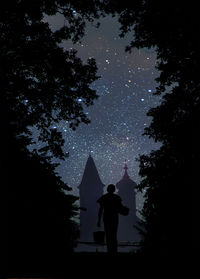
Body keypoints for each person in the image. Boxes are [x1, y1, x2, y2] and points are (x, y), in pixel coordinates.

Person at [97, 184, 122, 253]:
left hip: (107, 219)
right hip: (114, 219)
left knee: (108, 235)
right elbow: (121, 208)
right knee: (114, 235)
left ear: (108, 189)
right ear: (114, 190)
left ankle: (110, 250)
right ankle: (114, 250)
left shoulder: (104, 198)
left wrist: (99, 220)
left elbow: (100, 210)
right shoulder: (117, 198)